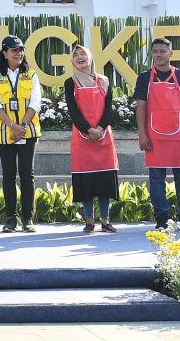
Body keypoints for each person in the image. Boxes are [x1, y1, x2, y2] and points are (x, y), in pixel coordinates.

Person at [134, 37, 180, 229]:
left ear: (170, 53)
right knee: (156, 180)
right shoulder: (144, 77)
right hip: (154, 136)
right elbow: (140, 108)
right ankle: (161, 219)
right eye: (155, 51)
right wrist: (142, 134)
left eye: (162, 51)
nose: (158, 55)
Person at [0, 34, 41, 233]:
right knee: (8, 176)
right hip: (5, 132)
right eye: (14, 50)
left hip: (28, 132)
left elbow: (35, 102)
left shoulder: (31, 75)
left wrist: (22, 125)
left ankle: (28, 219)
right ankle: (11, 219)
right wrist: (12, 126)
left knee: (27, 175)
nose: (18, 53)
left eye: (20, 50)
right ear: (5, 53)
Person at [65, 43, 119, 233]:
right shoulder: (70, 83)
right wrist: (88, 129)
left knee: (104, 180)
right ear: (72, 60)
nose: (80, 57)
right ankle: (89, 220)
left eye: (83, 54)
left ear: (90, 57)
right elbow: (73, 110)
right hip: (82, 137)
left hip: (103, 137)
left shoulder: (103, 81)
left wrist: (100, 128)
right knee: (86, 181)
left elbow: (109, 108)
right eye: (76, 55)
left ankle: (105, 220)